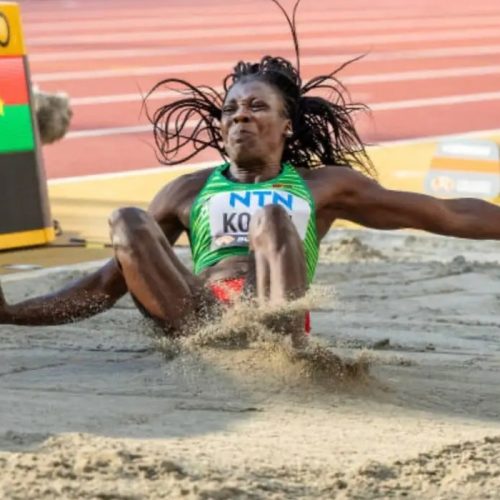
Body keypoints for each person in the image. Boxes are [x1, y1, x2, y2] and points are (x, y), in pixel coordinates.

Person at [1, 1, 500, 348]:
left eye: (256, 106)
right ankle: (219, 344)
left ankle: (285, 351)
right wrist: (12, 314)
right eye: (230, 109)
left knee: (271, 217)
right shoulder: (186, 191)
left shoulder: (324, 186)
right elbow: (107, 284)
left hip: (274, 317)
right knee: (129, 220)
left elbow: (446, 212)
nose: (239, 116)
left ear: (286, 125)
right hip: (197, 317)